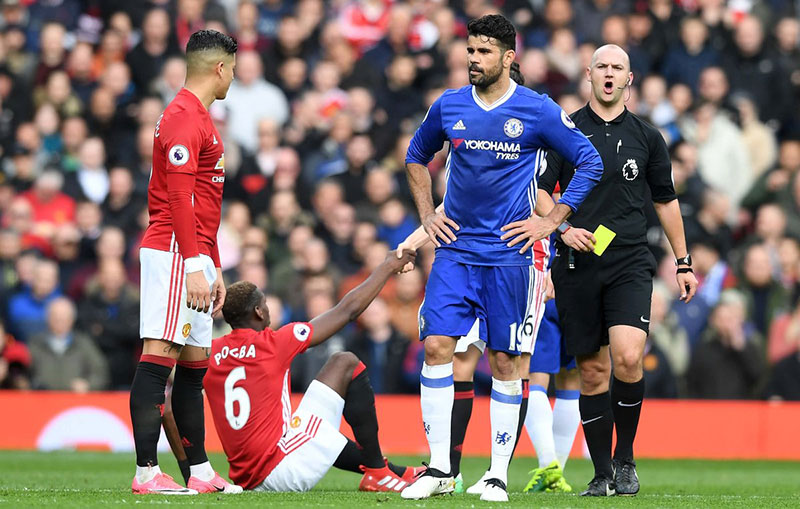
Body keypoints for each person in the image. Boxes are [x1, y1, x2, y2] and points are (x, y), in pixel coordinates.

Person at [399, 14, 602, 502]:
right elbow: (414, 157)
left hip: (512, 258)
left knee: (507, 362)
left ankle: (495, 473)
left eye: (484, 51)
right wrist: (428, 217)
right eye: (470, 50)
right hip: (455, 252)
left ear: (509, 57)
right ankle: (441, 469)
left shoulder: (537, 109)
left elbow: (589, 161)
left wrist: (551, 223)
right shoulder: (448, 106)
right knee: (436, 349)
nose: (473, 58)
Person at [537, 44, 698, 497]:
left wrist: (683, 261)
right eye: (602, 66)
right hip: (577, 262)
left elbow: (665, 201)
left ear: (629, 78)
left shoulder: (648, 137)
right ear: (588, 74)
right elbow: (541, 190)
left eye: (618, 68)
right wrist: (561, 228)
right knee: (591, 372)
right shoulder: (564, 130)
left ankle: (625, 459)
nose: (609, 74)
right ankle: (601, 473)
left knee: (627, 357)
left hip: (629, 260)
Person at [203, 250, 421, 492]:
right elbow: (347, 310)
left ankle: (390, 471)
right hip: (280, 470)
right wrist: (387, 267)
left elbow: (172, 407)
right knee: (345, 367)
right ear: (258, 311)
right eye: (265, 303)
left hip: (246, 477)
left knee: (338, 366)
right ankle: (379, 473)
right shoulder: (274, 343)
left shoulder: (212, 352)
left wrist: (193, 469)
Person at [129, 29, 239, 496]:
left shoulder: (198, 117)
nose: (233, 76)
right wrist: (194, 262)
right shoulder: (181, 117)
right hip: (174, 250)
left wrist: (212, 264)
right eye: (232, 69)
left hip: (194, 253)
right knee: (160, 356)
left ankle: (199, 470)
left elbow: (206, 201)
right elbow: (178, 195)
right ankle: (146, 472)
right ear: (219, 69)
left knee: (195, 364)